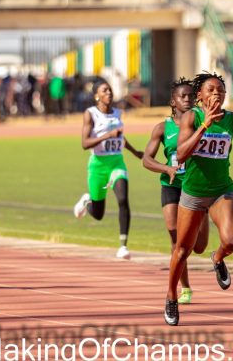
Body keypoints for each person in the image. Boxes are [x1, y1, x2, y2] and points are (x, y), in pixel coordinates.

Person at [163, 72, 233, 326]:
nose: (217, 94)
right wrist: (204, 125)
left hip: (222, 191)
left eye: (221, 90)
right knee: (183, 250)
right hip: (194, 193)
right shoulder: (191, 118)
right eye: (211, 90)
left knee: (230, 242)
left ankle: (217, 258)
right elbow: (182, 154)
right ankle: (171, 296)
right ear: (200, 96)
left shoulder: (232, 119)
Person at [142, 78, 209, 304]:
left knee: (199, 247)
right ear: (173, 101)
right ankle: (185, 287)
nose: (188, 100)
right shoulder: (162, 128)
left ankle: (204, 215)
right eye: (183, 96)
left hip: (196, 187)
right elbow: (146, 159)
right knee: (176, 238)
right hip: (171, 186)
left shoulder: (201, 122)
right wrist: (167, 168)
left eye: (191, 96)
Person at [73, 79, 143, 259]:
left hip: (116, 163)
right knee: (98, 214)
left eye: (110, 90)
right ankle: (87, 201)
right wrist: (107, 135)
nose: (109, 93)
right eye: (105, 91)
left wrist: (135, 152)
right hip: (98, 166)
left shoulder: (118, 113)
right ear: (97, 95)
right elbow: (84, 143)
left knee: (123, 199)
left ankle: (123, 246)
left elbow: (120, 138)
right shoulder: (91, 114)